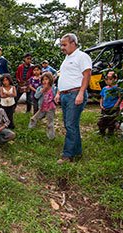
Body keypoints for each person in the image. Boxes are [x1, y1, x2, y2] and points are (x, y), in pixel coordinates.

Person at [54, 33, 92, 164]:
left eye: (64, 45)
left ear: (73, 43)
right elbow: (64, 76)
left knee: (70, 125)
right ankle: (77, 151)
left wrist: (81, 93)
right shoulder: (67, 58)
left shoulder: (82, 57)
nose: (62, 48)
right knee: (71, 124)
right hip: (65, 95)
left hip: (74, 94)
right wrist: (59, 92)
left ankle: (67, 155)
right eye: (61, 45)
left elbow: (87, 75)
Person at [28, 72, 57, 140]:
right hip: (42, 108)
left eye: (46, 79)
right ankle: (30, 131)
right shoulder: (40, 88)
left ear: (50, 80)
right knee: (33, 118)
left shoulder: (54, 88)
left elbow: (55, 96)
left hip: (50, 108)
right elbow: (36, 96)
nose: (44, 81)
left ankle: (51, 137)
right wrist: (42, 90)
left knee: (50, 123)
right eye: (43, 80)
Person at [98, 71, 121, 136]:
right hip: (105, 108)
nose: (108, 81)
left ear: (115, 79)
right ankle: (101, 132)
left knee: (112, 122)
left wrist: (115, 105)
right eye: (106, 79)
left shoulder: (117, 89)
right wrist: (101, 105)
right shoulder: (104, 89)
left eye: (110, 79)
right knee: (102, 121)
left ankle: (110, 134)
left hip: (112, 108)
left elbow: (119, 98)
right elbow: (102, 98)